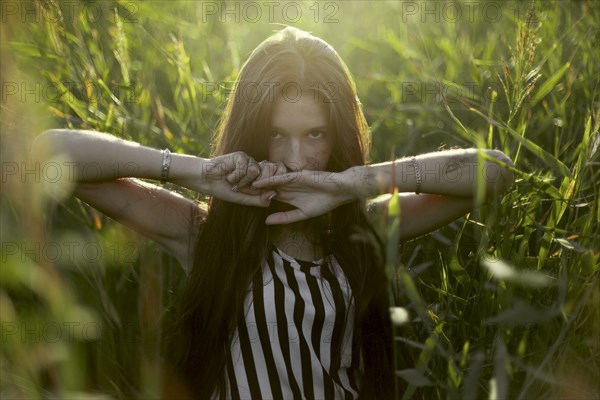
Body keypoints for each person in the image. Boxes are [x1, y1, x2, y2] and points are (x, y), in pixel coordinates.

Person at [32, 27, 514, 399]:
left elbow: (493, 173)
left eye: (316, 136)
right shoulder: (203, 232)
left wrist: (356, 182)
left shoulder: (366, 225)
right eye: (276, 134)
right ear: (252, 129)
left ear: (339, 137)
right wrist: (195, 171)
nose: (294, 159)